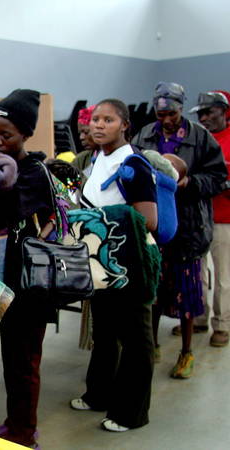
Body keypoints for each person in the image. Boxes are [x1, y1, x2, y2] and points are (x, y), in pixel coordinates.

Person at [70, 99, 158, 432]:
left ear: (124, 125)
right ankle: (99, 395)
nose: (98, 125)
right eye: (95, 119)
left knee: (136, 339)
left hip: (131, 262)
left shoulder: (133, 164)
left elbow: (148, 219)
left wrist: (96, 222)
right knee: (104, 333)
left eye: (108, 120)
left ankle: (132, 413)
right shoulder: (97, 161)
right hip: (102, 263)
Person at [132, 82, 227, 378]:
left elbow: (218, 176)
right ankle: (154, 344)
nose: (167, 120)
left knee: (188, 296)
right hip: (154, 227)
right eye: (161, 115)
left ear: (181, 108)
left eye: (171, 113)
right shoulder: (145, 135)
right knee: (155, 292)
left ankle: (187, 353)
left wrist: (190, 183)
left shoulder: (200, 138)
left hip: (188, 226)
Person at [0, 89, 62, 449]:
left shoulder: (32, 173)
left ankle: (25, 433)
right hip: (11, 281)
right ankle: (14, 422)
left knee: (24, 362)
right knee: (14, 359)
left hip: (32, 286)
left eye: (7, 135)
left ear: (26, 135)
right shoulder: (5, 168)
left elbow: (5, 213)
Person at [190, 92, 230, 347]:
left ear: (225, 112)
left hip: (225, 217)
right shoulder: (198, 140)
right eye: (200, 114)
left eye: (209, 112)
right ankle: (199, 317)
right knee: (198, 272)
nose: (204, 118)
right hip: (198, 215)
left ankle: (222, 325)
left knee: (224, 274)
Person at [72, 105, 99, 183]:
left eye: (86, 132)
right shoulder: (81, 159)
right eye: (80, 133)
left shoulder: (122, 158)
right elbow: (69, 188)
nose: (81, 137)